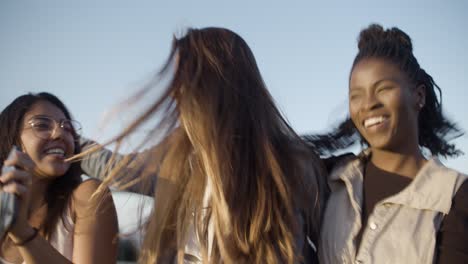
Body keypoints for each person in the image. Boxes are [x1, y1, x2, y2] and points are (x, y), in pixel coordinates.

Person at [76, 27, 327, 263]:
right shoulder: (176, 158)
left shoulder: (295, 165)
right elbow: (117, 169)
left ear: (213, 87)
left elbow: (331, 249)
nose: (175, 94)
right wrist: (67, 140)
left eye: (184, 81)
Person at [306, 24, 468, 263]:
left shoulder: (454, 196)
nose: (368, 104)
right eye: (356, 95)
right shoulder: (329, 178)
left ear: (419, 96)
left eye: (383, 89)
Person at [0, 92, 118, 264]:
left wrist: (22, 232)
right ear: (10, 137)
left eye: (67, 129)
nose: (60, 134)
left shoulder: (88, 196)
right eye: (41, 125)